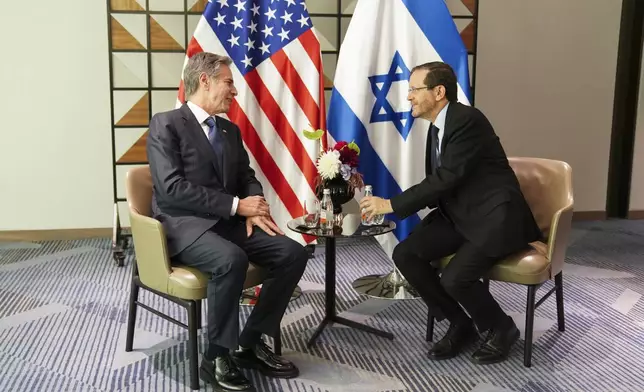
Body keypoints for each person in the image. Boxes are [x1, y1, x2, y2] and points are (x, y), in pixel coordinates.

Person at [360, 62, 541, 365]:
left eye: (414, 90)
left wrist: (391, 204)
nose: (409, 97)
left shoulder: (466, 120)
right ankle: (460, 323)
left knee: (455, 279)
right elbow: (445, 183)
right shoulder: (438, 126)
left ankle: (502, 328)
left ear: (438, 91)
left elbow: (446, 179)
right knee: (406, 254)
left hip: (494, 218)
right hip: (460, 214)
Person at [146, 52, 308, 391]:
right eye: (229, 83)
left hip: (229, 224)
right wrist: (237, 206)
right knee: (231, 260)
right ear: (205, 81)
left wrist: (257, 207)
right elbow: (172, 189)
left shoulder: (229, 130)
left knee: (293, 252)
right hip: (185, 227)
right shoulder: (166, 124)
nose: (234, 91)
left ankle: (249, 343)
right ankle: (215, 357)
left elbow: (246, 176)